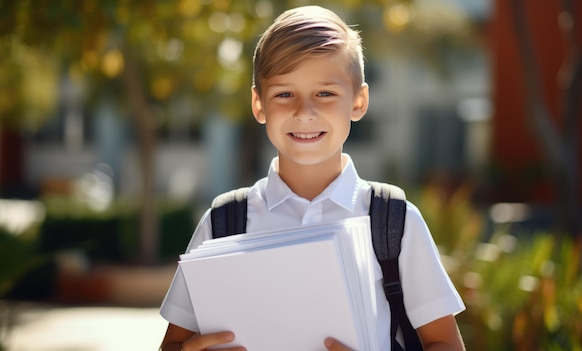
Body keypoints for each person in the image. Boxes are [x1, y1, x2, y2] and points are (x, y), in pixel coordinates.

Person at [159, 5, 465, 351]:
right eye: (284, 94)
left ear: (359, 101)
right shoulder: (223, 222)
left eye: (325, 93)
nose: (305, 112)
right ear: (259, 105)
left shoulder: (394, 222)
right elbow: (172, 345)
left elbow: (445, 343)